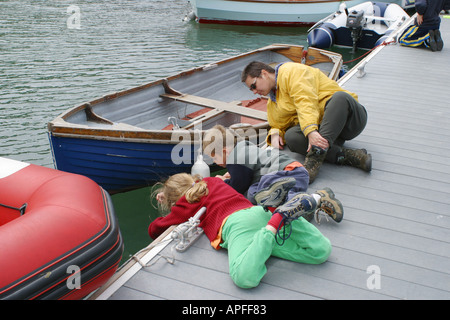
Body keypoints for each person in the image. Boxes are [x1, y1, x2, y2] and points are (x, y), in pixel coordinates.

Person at [148, 172, 343, 289]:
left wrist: (166, 200)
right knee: (320, 251)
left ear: (174, 197)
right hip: (259, 212)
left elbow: (155, 229)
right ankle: (283, 213)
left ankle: (276, 221)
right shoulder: (212, 181)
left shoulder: (185, 203)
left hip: (236, 224)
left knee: (244, 277)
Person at [241, 61, 371, 183]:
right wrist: (275, 133)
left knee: (340, 98)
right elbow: (277, 124)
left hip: (349, 120)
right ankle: (351, 156)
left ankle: (313, 161)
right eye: (251, 90)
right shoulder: (273, 102)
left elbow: (305, 101)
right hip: (329, 132)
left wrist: (310, 131)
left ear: (264, 73)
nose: (254, 92)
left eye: (254, 85)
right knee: (291, 136)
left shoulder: (290, 71)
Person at [202, 124, 310, 211]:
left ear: (224, 151)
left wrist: (223, 182)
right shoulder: (244, 148)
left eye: (214, 158)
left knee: (255, 194)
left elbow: (237, 187)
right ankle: (302, 201)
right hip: (297, 172)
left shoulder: (234, 160)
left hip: (284, 174)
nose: (214, 162)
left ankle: (296, 204)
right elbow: (248, 174)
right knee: (254, 191)